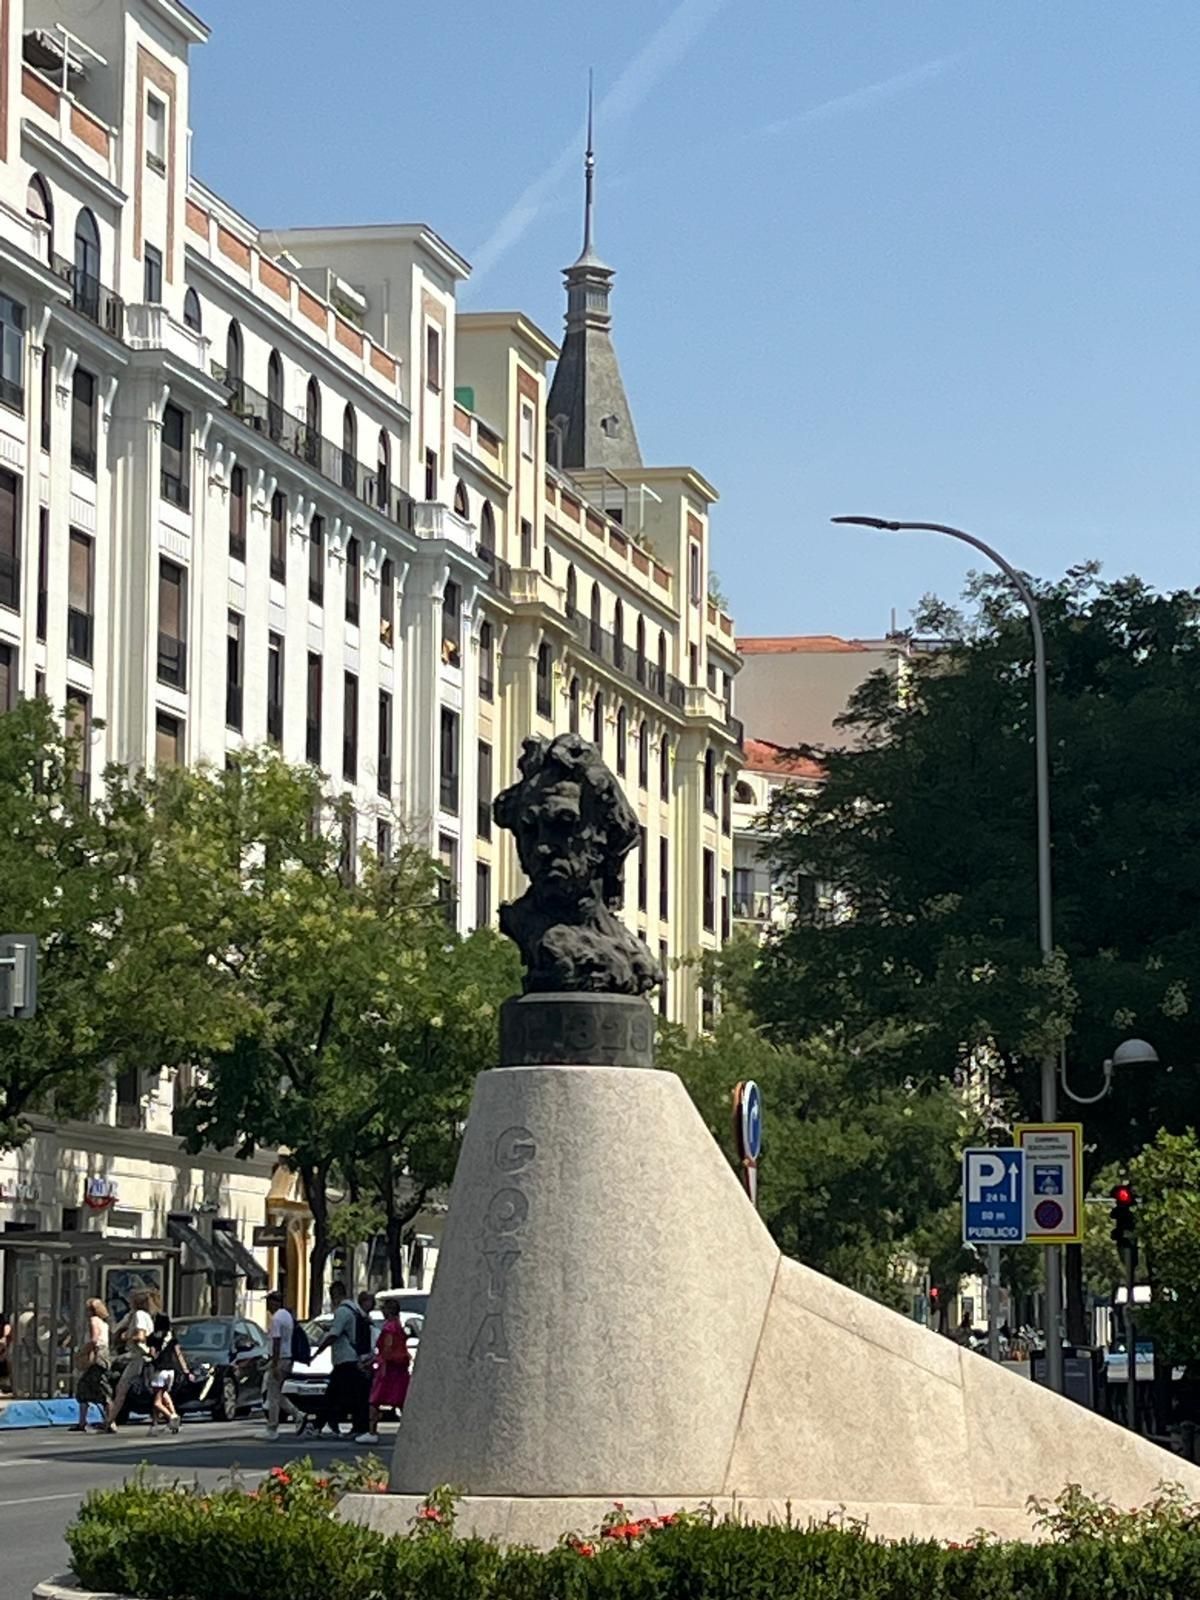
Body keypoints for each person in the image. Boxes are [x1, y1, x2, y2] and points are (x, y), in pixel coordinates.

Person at [302, 1281, 370, 1442]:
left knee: (333, 1395)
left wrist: (317, 1353)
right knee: (352, 1396)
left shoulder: (342, 1311)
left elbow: (333, 1335)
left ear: (335, 1295)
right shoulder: (355, 1309)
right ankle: (356, 1427)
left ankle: (318, 1426)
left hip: (345, 1359)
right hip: (354, 1358)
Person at [103, 1288, 157, 1432]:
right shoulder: (139, 1315)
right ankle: (110, 1421)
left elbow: (140, 1336)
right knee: (154, 1389)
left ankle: (110, 1421)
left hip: (138, 1357)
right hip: (142, 1357)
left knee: (122, 1388)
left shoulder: (139, 1315)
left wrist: (126, 1337)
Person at [364, 1297, 410, 1442]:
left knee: (375, 1399)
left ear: (388, 1311)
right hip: (399, 1369)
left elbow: (387, 1349)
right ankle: (408, 1429)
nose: (382, 1311)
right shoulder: (398, 1326)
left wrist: (375, 1362)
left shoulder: (389, 1327)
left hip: (388, 1369)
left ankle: (372, 1432)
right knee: (401, 1399)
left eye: (384, 1308)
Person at [262, 1290, 304, 1441]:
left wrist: (274, 1364)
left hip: (280, 1359)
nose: (267, 1305)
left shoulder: (277, 1319)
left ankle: (272, 1428)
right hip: (287, 1358)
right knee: (276, 1393)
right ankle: (298, 1414)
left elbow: (277, 1342)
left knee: (272, 1395)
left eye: (269, 1302)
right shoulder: (286, 1315)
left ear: (275, 1302)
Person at [71, 1299, 111, 1431]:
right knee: (85, 1386)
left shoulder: (93, 1320)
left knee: (100, 1388)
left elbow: (94, 1339)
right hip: (104, 1355)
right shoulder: (104, 1323)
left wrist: (82, 1352)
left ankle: (110, 1421)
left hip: (96, 1354)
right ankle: (83, 1421)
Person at [147, 1312, 186, 1433]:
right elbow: (178, 1354)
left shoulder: (153, 1337)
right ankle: (155, 1424)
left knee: (157, 1402)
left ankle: (172, 1417)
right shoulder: (172, 1337)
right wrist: (185, 1370)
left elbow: (152, 1354)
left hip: (159, 1371)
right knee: (164, 1394)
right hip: (171, 1371)